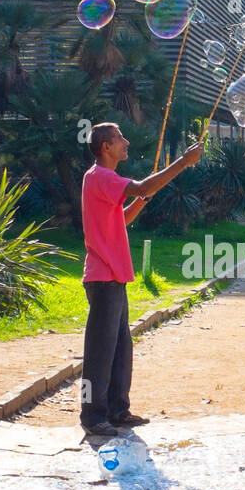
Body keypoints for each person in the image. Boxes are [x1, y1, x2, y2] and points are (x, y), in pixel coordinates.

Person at [80, 123, 202, 437]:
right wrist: (183, 163)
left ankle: (118, 411)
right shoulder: (101, 176)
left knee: (121, 347)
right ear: (106, 146)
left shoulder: (101, 180)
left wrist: (141, 199)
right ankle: (93, 417)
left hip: (113, 277)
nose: (126, 141)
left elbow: (121, 219)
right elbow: (144, 185)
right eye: (120, 137)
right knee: (100, 351)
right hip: (103, 276)